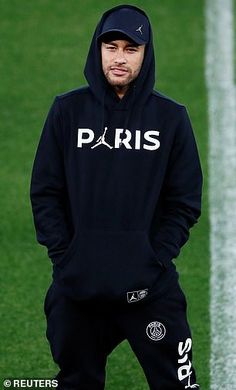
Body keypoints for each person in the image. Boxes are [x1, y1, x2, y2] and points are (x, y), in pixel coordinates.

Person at [30, 4, 202, 390]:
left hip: (151, 291)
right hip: (78, 291)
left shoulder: (171, 119)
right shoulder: (67, 112)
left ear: (145, 53)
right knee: (76, 383)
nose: (119, 58)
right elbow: (45, 191)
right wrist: (67, 255)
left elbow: (185, 200)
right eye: (112, 47)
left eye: (130, 48)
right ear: (98, 50)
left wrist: (155, 256)